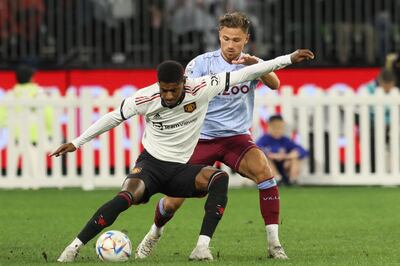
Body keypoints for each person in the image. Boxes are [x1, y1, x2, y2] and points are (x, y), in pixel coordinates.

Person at [52, 49, 314, 262]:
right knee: (126, 196)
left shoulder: (201, 88)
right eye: (163, 89)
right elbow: (112, 118)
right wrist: (77, 142)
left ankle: (201, 247)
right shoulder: (145, 97)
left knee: (219, 178)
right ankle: (73, 248)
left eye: (172, 90)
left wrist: (288, 59)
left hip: (182, 169)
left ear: (183, 84)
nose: (167, 95)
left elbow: (247, 72)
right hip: (151, 165)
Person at [135, 12, 303, 260]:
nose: (231, 45)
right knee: (173, 202)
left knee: (265, 174)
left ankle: (274, 244)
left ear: (246, 38)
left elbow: (275, 83)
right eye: (226, 39)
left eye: (236, 39)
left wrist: (255, 66)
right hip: (200, 138)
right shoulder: (201, 64)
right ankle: (154, 233)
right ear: (219, 37)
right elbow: (183, 95)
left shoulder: (252, 62)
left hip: (236, 137)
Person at [0, 65, 53, 180]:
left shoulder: (10, 94)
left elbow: (2, 116)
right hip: (35, 134)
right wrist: (50, 130)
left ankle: (12, 181)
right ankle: (36, 183)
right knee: (35, 162)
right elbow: (48, 114)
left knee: (13, 162)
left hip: (16, 135)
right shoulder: (38, 93)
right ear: (31, 78)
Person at [256, 115, 308, 186]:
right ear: (269, 127)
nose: (277, 130)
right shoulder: (264, 140)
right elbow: (257, 150)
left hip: (284, 167)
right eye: (274, 127)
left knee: (295, 158)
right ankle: (276, 179)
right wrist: (271, 155)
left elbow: (303, 151)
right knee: (266, 160)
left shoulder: (285, 140)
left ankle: (293, 180)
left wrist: (289, 155)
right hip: (270, 169)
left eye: (280, 128)